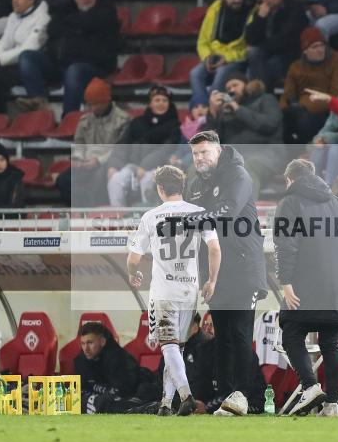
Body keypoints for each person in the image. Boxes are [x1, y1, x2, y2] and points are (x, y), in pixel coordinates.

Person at [180, 131, 268, 416]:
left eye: (204, 152)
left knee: (241, 334)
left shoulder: (238, 176)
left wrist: (187, 220)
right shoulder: (195, 185)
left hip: (243, 269)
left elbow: (227, 211)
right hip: (216, 273)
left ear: (218, 152)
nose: (200, 158)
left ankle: (242, 396)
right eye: (195, 154)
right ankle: (226, 397)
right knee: (223, 338)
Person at [274, 159, 338, 417]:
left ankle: (310, 386)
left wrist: (285, 282)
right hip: (336, 291)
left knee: (291, 334)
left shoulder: (289, 203)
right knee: (331, 343)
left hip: (303, 287)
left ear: (289, 179)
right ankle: (333, 405)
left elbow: (286, 245)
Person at [127, 166, 221, 416]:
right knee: (176, 348)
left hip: (164, 290)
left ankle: (186, 395)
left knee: (168, 345)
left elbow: (133, 259)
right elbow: (214, 249)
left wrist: (132, 273)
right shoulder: (200, 213)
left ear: (159, 189)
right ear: (183, 187)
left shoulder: (150, 217)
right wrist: (211, 281)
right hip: (189, 289)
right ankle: (166, 404)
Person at [17, 0, 119, 114]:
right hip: (60, 63)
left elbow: (90, 22)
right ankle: (38, 102)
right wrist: (78, 28)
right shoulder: (65, 10)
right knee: (27, 57)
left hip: (93, 66)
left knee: (74, 71)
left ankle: (68, 117)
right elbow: (53, 28)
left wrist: (72, 25)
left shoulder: (106, 12)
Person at [207, 73, 284, 195]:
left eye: (235, 85)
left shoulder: (266, 99)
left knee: (246, 169)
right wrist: (213, 113)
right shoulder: (226, 110)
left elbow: (270, 125)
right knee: (197, 169)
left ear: (247, 85)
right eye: (228, 89)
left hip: (265, 155)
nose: (232, 90)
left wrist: (239, 110)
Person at [57, 78, 131, 206]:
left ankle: (89, 212)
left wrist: (98, 161)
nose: (92, 108)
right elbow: (79, 144)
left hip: (109, 163)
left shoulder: (123, 120)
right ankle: (82, 208)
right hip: (86, 163)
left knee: (97, 179)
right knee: (63, 180)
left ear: (106, 101)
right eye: (90, 104)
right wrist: (77, 159)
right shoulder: (84, 120)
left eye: (96, 104)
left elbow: (121, 149)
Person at [106, 86, 181, 207]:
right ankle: (119, 217)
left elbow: (165, 149)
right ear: (150, 103)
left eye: (164, 100)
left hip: (158, 168)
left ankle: (148, 219)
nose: (161, 103)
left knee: (147, 180)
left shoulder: (174, 126)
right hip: (133, 166)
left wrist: (145, 166)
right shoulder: (138, 122)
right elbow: (123, 144)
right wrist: (114, 165)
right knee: (115, 180)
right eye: (157, 100)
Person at [190, 0, 252, 104]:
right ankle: (201, 108)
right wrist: (207, 57)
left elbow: (249, 48)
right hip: (214, 56)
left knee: (221, 74)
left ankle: (212, 110)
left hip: (236, 58)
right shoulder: (215, 9)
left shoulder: (251, 11)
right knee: (195, 74)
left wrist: (226, 58)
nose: (237, 0)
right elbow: (203, 40)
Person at [244, 0, 309, 92]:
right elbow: (249, 38)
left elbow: (285, 41)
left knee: (264, 69)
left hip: (288, 55)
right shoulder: (261, 10)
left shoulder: (294, 9)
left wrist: (261, 44)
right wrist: (260, 18)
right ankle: (261, 100)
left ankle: (260, 100)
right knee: (254, 54)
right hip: (266, 52)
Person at [281, 27, 338, 144]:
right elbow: (287, 94)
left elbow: (336, 94)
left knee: (303, 121)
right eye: (314, 47)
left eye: (321, 45)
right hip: (299, 110)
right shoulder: (296, 67)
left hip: (325, 111)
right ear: (305, 50)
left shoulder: (335, 62)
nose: (320, 50)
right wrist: (284, 110)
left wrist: (307, 107)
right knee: (282, 120)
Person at [74, 321, 149, 414]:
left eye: (90, 342)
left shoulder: (120, 359)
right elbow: (80, 390)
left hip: (135, 394)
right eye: (83, 343)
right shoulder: (80, 361)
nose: (86, 348)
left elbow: (123, 391)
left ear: (102, 341)